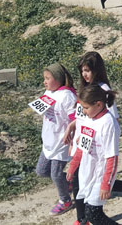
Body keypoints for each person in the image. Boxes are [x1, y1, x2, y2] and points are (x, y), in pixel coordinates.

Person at [62, 52, 122, 215]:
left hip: (96, 145)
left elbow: (111, 120)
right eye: (82, 70)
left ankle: (83, 219)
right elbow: (83, 116)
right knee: (84, 179)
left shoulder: (103, 90)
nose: (84, 74)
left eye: (87, 70)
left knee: (90, 180)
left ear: (97, 70)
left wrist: (94, 141)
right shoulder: (86, 88)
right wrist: (72, 130)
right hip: (83, 141)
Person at [65, 84, 120, 225]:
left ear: (99, 104)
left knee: (93, 213)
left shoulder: (109, 124)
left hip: (101, 174)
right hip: (87, 171)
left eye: (86, 108)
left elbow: (112, 158)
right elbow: (82, 147)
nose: (83, 111)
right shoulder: (89, 119)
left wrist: (106, 184)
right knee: (90, 213)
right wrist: (73, 166)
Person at [35, 63, 78, 216]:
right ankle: (68, 184)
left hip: (62, 142)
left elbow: (76, 118)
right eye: (44, 79)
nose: (44, 82)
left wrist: (71, 133)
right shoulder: (49, 91)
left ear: (58, 78)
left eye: (48, 78)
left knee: (55, 174)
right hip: (48, 141)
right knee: (41, 171)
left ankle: (65, 200)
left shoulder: (67, 96)